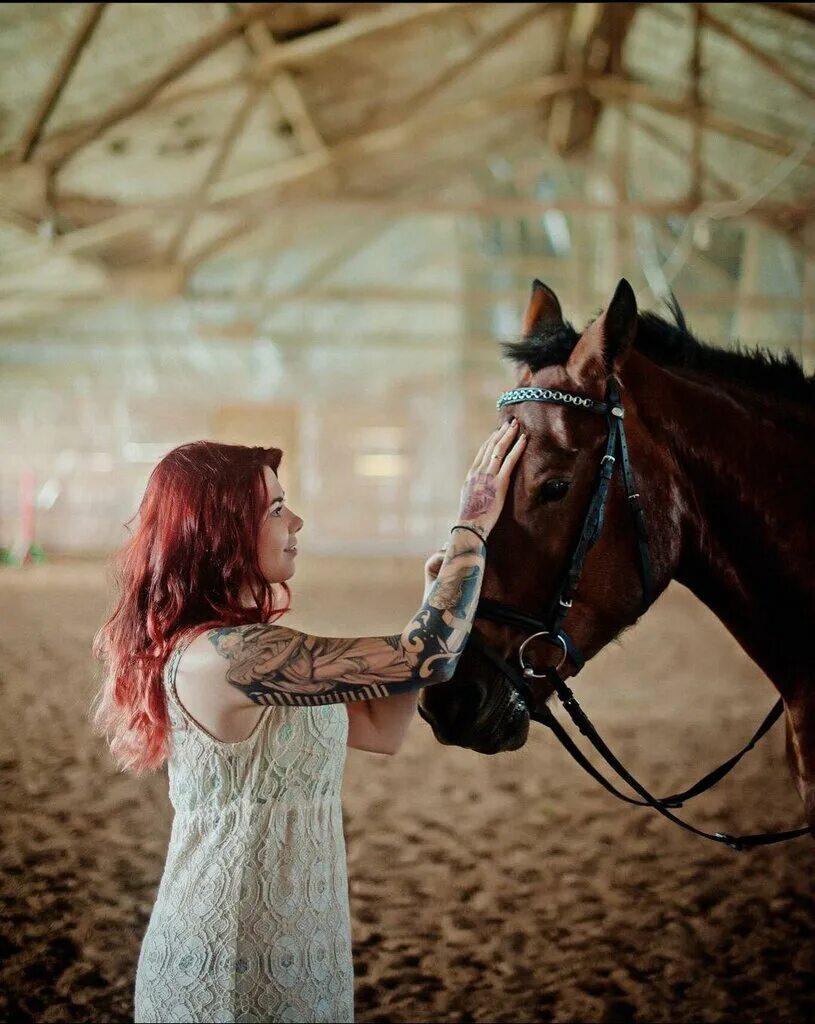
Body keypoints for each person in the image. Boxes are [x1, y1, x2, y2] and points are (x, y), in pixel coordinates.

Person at [92, 419, 525, 1024]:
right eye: (276, 508)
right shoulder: (227, 657)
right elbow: (425, 656)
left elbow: (382, 729)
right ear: (222, 532)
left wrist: (435, 593)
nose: (295, 523)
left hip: (300, 942)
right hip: (229, 958)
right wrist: (472, 527)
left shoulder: (250, 651)